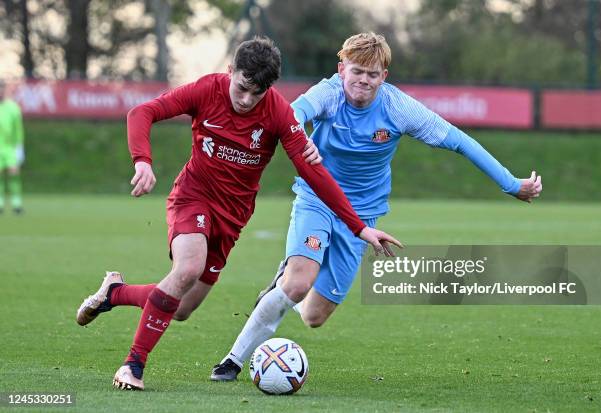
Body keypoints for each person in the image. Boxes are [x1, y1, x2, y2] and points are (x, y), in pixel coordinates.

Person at [210, 32, 543, 381]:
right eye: (357, 71)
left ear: (384, 76)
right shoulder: (328, 93)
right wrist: (297, 135)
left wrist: (510, 183)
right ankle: (232, 361)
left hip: (362, 217)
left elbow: (459, 141)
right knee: (297, 284)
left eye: (373, 74)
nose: (363, 81)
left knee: (313, 317)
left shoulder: (399, 108)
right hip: (317, 200)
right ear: (342, 70)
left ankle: (282, 287)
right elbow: (292, 113)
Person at [75, 36, 401, 391]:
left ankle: (115, 293)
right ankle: (132, 366)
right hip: (193, 196)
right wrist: (143, 161)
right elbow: (142, 112)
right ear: (231, 71)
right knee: (186, 269)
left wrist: (359, 228)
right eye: (242, 88)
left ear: (269, 88)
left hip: (233, 217)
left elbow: (314, 174)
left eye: (256, 94)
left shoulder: (278, 113)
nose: (246, 100)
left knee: (181, 308)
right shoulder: (206, 90)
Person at [0, 80, 25, 214]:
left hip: (10, 148)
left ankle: (17, 204)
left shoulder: (13, 108)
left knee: (14, 174)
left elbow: (18, 130)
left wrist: (19, 149)